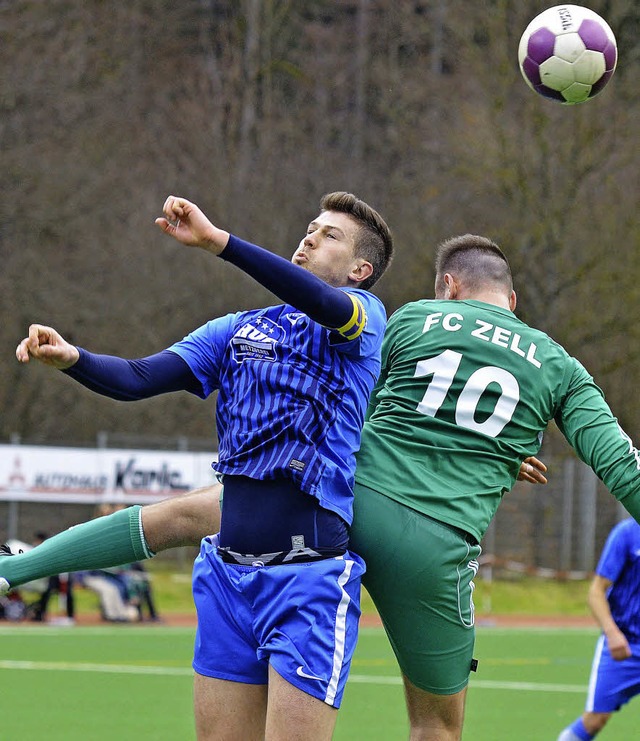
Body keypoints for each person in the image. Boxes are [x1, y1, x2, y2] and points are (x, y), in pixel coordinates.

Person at [2, 191, 393, 741]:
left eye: (330, 235)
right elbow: (137, 378)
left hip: (307, 581)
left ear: (360, 269)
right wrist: (73, 359)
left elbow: (325, 305)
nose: (309, 237)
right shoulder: (237, 329)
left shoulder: (362, 319)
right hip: (228, 579)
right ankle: (9, 568)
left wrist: (219, 243)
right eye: (311, 226)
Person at [557, 518, 640, 741]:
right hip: (626, 644)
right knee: (595, 719)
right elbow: (596, 592)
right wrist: (613, 634)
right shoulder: (628, 533)